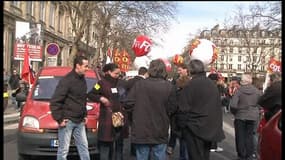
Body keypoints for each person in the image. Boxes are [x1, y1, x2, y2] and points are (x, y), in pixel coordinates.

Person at [123, 59, 177, 160]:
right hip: (160, 128)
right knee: (159, 155)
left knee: (142, 156)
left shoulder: (139, 85)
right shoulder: (169, 87)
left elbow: (128, 103)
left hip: (141, 129)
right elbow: (173, 108)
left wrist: (135, 115)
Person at [176, 59, 225, 160]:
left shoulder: (190, 85)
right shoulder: (212, 85)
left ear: (190, 71)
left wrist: (181, 127)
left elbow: (183, 110)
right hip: (209, 127)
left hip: (194, 128)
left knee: (195, 156)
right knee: (204, 155)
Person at [50, 55, 90, 160]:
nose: (87, 68)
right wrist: (59, 119)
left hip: (80, 120)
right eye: (85, 66)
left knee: (84, 148)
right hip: (68, 121)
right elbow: (55, 101)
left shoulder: (83, 80)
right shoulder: (67, 80)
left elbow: (82, 99)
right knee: (63, 150)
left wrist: (85, 114)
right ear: (78, 66)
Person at [87, 63, 128, 160]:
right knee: (105, 145)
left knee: (119, 145)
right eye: (116, 73)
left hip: (120, 119)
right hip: (107, 119)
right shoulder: (100, 83)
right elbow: (91, 94)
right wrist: (101, 98)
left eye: (119, 74)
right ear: (109, 72)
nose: (118, 76)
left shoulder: (122, 83)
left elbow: (127, 97)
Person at [229, 73, 262, 160]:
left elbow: (233, 105)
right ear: (250, 81)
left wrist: (235, 112)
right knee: (249, 136)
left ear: (242, 81)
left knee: (240, 136)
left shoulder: (239, 91)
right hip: (252, 116)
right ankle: (249, 154)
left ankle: (241, 155)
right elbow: (261, 103)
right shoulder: (257, 91)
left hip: (240, 115)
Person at [167, 63, 189, 160]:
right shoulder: (177, 81)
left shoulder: (177, 84)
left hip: (178, 114)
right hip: (183, 115)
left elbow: (172, 100)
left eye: (180, 70)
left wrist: (170, 112)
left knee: (176, 134)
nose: (178, 72)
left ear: (185, 70)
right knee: (183, 138)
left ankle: (171, 150)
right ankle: (181, 155)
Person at [124, 66, 148, 157]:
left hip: (130, 109)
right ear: (145, 73)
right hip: (141, 110)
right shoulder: (145, 83)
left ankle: (132, 150)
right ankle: (137, 150)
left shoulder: (130, 82)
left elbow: (124, 94)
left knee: (132, 130)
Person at [207, 73, 225, 153]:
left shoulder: (207, 87)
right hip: (215, 110)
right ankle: (213, 145)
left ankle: (210, 145)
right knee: (214, 128)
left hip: (207, 110)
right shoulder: (216, 87)